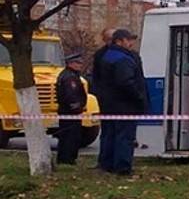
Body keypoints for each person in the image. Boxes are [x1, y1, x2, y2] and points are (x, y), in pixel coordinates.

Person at [98, 29, 148, 175]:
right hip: (125, 105)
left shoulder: (107, 56)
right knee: (124, 137)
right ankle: (122, 167)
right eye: (128, 40)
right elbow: (126, 83)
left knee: (110, 135)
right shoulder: (123, 59)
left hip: (110, 104)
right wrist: (139, 97)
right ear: (119, 41)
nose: (131, 43)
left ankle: (107, 164)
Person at [55, 51, 87, 165]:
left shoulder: (68, 75)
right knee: (70, 137)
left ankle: (65, 158)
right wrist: (77, 108)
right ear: (70, 63)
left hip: (67, 111)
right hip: (70, 112)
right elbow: (71, 95)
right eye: (77, 63)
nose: (80, 65)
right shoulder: (70, 77)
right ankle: (67, 159)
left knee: (67, 136)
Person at [91, 28, 114, 170]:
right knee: (108, 131)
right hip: (108, 99)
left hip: (108, 98)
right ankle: (105, 161)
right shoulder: (102, 55)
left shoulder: (102, 54)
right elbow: (97, 77)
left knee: (111, 131)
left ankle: (108, 161)